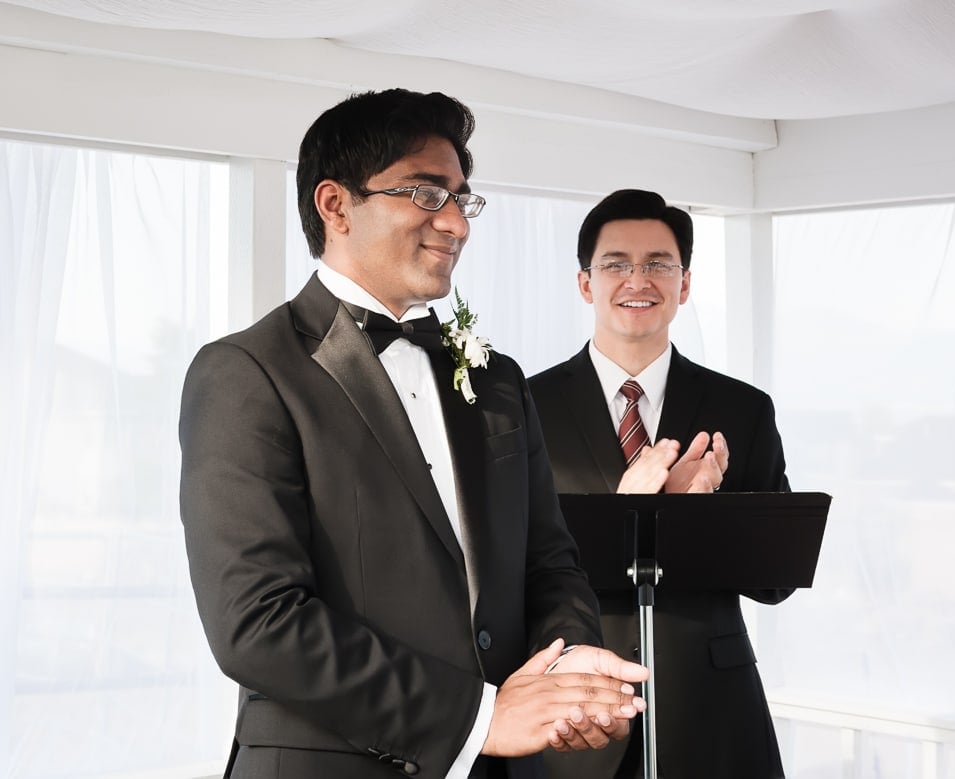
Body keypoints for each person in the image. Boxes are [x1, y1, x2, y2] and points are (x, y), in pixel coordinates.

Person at [178, 89, 649, 779]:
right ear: (334, 205)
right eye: (428, 194)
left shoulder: (499, 379)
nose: (456, 223)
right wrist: (482, 717)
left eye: (463, 198)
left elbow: (549, 561)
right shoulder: (246, 373)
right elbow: (257, 622)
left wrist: (569, 662)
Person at [528, 189, 792, 778]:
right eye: (616, 264)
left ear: (686, 283)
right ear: (585, 283)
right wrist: (635, 509)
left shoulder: (743, 409)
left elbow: (776, 583)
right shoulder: (522, 406)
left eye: (657, 264)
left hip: (712, 711)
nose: (636, 280)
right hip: (576, 712)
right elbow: (509, 566)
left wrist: (708, 514)